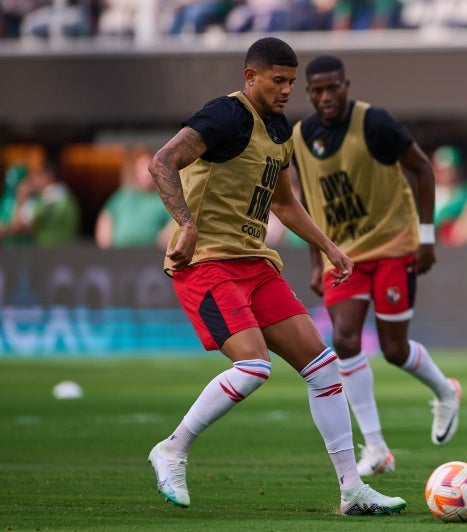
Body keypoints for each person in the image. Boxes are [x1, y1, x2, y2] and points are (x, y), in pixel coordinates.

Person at [145, 37, 405, 516]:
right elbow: (162, 161)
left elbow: (283, 202)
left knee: (324, 367)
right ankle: (173, 448)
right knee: (254, 366)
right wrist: (185, 224)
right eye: (278, 80)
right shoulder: (225, 115)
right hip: (206, 264)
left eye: (291, 81)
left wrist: (327, 247)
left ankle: (352, 491)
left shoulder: (279, 128)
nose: (288, 89)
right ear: (251, 77)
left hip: (254, 263)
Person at [291, 55, 461, 477]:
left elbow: (422, 169)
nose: (327, 97)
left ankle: (445, 390)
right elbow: (309, 201)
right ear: (308, 94)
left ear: (346, 86)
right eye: (318, 91)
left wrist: (425, 238)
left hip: (392, 245)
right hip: (342, 255)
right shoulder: (299, 137)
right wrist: (316, 259)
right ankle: (377, 449)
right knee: (345, 340)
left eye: (334, 88)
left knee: (393, 349)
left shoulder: (375, 123)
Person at [94, 145, 173, 249]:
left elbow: (174, 223)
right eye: (142, 168)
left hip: (149, 256)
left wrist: (164, 239)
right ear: (136, 171)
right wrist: (105, 246)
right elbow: (106, 217)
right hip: (117, 256)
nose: (146, 173)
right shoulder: (122, 196)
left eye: (149, 168)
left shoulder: (164, 199)